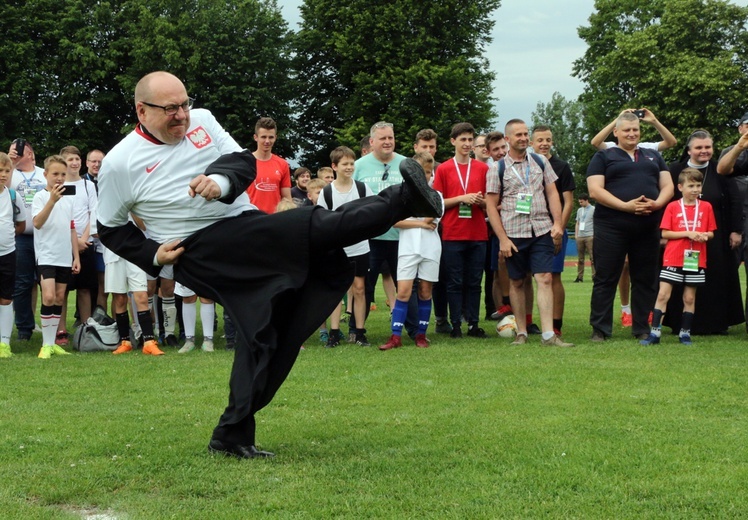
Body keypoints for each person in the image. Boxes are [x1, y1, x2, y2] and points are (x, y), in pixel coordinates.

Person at [97, 71, 442, 459]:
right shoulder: (119, 164)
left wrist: (219, 182)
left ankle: (231, 433)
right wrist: (154, 257)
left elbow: (242, 163)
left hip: (243, 225)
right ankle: (402, 199)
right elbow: (109, 228)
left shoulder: (203, 121)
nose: (181, 116)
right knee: (305, 223)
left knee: (271, 334)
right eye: (170, 109)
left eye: (184, 104)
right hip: (198, 251)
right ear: (141, 110)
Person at [586, 111, 674, 342]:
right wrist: (626, 206)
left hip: (647, 225)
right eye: (626, 130)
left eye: (635, 130)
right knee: (606, 278)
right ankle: (600, 329)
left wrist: (657, 204)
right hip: (611, 225)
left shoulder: (652, 156)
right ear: (616, 132)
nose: (632, 134)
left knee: (645, 278)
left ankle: (641, 327)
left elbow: (668, 187)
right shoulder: (604, 156)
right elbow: (595, 190)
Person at [485, 119, 572, 347]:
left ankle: (548, 335)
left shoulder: (540, 161)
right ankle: (521, 332)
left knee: (544, 278)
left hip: (542, 229)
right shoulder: (497, 168)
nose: (523, 138)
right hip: (514, 233)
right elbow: (491, 206)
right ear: (507, 139)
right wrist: (502, 239)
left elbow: (552, 193)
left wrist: (557, 224)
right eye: (518, 135)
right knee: (516, 282)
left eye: (525, 134)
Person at [665, 130, 743, 334]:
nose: (704, 151)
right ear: (689, 150)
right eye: (699, 147)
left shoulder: (722, 169)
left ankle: (715, 324)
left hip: (714, 236)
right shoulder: (675, 170)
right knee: (681, 279)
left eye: (707, 147)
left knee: (715, 278)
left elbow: (735, 201)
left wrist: (736, 231)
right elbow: (667, 202)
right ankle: (681, 323)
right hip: (681, 238)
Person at [639, 168, 716, 346]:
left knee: (689, 298)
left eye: (698, 185)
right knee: (663, 295)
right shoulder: (673, 206)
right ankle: (655, 333)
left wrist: (704, 236)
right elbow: (665, 233)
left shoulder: (706, 207)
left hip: (695, 258)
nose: (695, 189)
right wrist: (687, 233)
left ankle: (685, 333)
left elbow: (711, 233)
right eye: (691, 185)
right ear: (680, 187)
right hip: (673, 257)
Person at [432, 122, 489, 338]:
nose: (467, 143)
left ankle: (473, 324)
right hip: (452, 234)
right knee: (454, 282)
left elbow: (492, 203)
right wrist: (461, 199)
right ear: (453, 141)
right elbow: (438, 203)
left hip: (478, 234)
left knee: (474, 282)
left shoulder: (483, 168)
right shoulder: (444, 169)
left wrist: (481, 202)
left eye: (470, 139)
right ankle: (455, 324)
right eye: (462, 139)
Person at [380, 151, 441, 350]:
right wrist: (421, 224)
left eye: (429, 172)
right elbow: (395, 222)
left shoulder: (436, 195)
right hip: (407, 248)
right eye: (421, 172)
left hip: (430, 249)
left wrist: (419, 222)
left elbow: (433, 216)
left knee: (425, 291)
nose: (426, 176)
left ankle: (421, 336)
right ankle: (395, 336)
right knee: (404, 291)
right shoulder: (401, 196)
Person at [317, 146, 374, 347]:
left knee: (359, 288)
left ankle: (359, 332)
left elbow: (372, 213)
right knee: (335, 290)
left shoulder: (362, 188)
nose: (349, 167)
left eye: (352, 163)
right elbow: (321, 220)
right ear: (334, 167)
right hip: (336, 249)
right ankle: (334, 333)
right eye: (345, 164)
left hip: (360, 247)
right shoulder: (327, 191)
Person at [529, 125, 576, 337]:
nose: (545, 143)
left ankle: (556, 325)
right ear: (532, 143)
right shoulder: (525, 166)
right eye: (540, 140)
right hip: (528, 229)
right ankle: (527, 324)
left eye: (548, 139)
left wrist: (559, 228)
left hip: (553, 230)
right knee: (524, 277)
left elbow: (568, 202)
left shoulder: (562, 166)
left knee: (553, 276)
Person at [32, 155, 80, 358]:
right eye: (55, 174)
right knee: (49, 296)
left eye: (63, 174)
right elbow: (37, 223)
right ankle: (45, 344)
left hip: (63, 256)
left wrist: (75, 256)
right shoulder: (40, 197)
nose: (59, 178)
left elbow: (71, 229)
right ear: (45, 175)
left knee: (59, 297)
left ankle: (52, 343)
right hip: (46, 255)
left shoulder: (68, 200)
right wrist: (51, 200)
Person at [57, 145, 98, 345]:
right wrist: (73, 241)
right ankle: (61, 329)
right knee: (62, 289)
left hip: (86, 243)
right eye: (70, 159)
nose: (75, 162)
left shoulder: (88, 185)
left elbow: (94, 213)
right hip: (63, 244)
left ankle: (86, 329)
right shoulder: (58, 185)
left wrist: (82, 240)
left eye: (77, 158)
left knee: (85, 288)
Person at [8, 139, 45, 340]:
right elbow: (2, 192)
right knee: (22, 282)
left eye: (20, 148)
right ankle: (24, 327)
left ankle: (51, 325)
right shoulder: (9, 173)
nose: (17, 151)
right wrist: (11, 164)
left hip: (45, 235)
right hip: (21, 236)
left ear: (30, 152)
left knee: (47, 281)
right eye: (13, 149)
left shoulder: (43, 173)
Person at [716, 112, 748, 330]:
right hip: (732, 221)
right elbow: (722, 169)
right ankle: (719, 319)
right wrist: (740, 146)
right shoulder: (731, 151)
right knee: (724, 273)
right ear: (740, 128)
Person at [0, 152, 26, 357]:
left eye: (7, 171)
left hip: (8, 252)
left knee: (6, 298)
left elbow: (20, 224)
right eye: (0, 170)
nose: (3, 174)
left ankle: (4, 343)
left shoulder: (12, 195)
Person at [246, 117, 292, 214]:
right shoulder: (246, 162)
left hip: (275, 220)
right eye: (263, 137)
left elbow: (287, 198)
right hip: (250, 218)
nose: (267, 141)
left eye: (270, 137)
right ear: (256, 137)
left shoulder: (282, 164)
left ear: (275, 137)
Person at [574, 195, 595, 282]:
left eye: (581, 201)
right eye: (579, 202)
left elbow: (596, 222)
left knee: (593, 257)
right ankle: (579, 277)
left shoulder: (593, 209)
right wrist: (576, 234)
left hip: (590, 235)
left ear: (587, 201)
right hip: (580, 236)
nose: (580, 203)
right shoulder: (579, 210)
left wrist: (595, 234)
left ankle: (594, 276)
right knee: (580, 258)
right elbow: (578, 223)